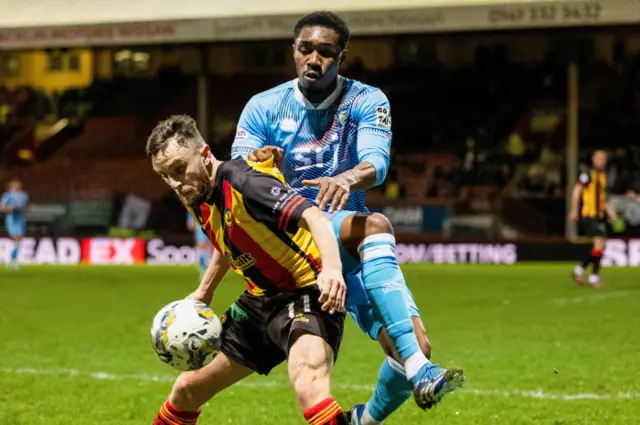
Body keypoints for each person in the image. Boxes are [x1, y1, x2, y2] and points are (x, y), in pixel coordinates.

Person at [231, 10, 465, 424]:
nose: (313, 59)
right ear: (294, 51)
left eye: (325, 52)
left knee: (417, 343)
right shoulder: (263, 107)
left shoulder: (366, 100)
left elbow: (377, 161)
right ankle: (418, 370)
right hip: (294, 242)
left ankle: (365, 419)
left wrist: (347, 176)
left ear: (342, 56)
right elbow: (238, 177)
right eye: (305, 49)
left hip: (348, 246)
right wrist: (262, 166)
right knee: (376, 225)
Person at [147, 115, 351, 425]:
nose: (175, 183)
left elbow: (315, 217)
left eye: (178, 169)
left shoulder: (246, 183)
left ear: (204, 156)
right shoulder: (195, 191)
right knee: (186, 389)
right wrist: (205, 291)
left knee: (308, 385)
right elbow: (229, 239)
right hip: (259, 303)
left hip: (306, 293)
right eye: (165, 176)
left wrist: (333, 270)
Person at [570, 150, 618, 288]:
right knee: (599, 245)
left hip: (599, 216)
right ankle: (593, 277)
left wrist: (611, 213)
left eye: (604, 158)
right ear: (593, 159)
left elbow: (604, 199)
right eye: (599, 158)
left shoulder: (603, 176)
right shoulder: (587, 174)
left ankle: (579, 270)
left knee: (601, 246)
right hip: (589, 215)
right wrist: (574, 210)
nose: (601, 161)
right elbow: (576, 191)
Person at [1, 179, 30, 270]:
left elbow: (26, 206)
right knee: (16, 238)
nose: (16, 186)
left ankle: (12, 260)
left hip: (20, 220)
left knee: (18, 240)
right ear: (11, 186)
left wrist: (29, 208)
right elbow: (1, 207)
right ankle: (11, 261)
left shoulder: (24, 195)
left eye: (18, 184)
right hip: (12, 219)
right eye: (15, 185)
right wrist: (8, 208)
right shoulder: (7, 195)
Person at [186, 209, 212, 278]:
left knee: (210, 247)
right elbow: (190, 225)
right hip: (201, 227)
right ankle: (204, 270)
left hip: (209, 226)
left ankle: (208, 270)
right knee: (202, 245)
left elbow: (190, 225)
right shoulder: (192, 206)